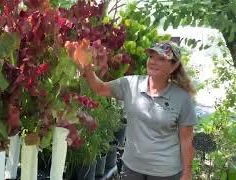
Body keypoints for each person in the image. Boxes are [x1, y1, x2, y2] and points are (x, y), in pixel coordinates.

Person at [65, 40, 196, 180]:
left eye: (161, 59)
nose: (153, 61)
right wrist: (86, 65)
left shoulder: (182, 98)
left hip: (165, 173)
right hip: (131, 168)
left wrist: (187, 173)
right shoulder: (131, 84)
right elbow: (100, 88)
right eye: (151, 56)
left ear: (173, 66)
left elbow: (186, 140)